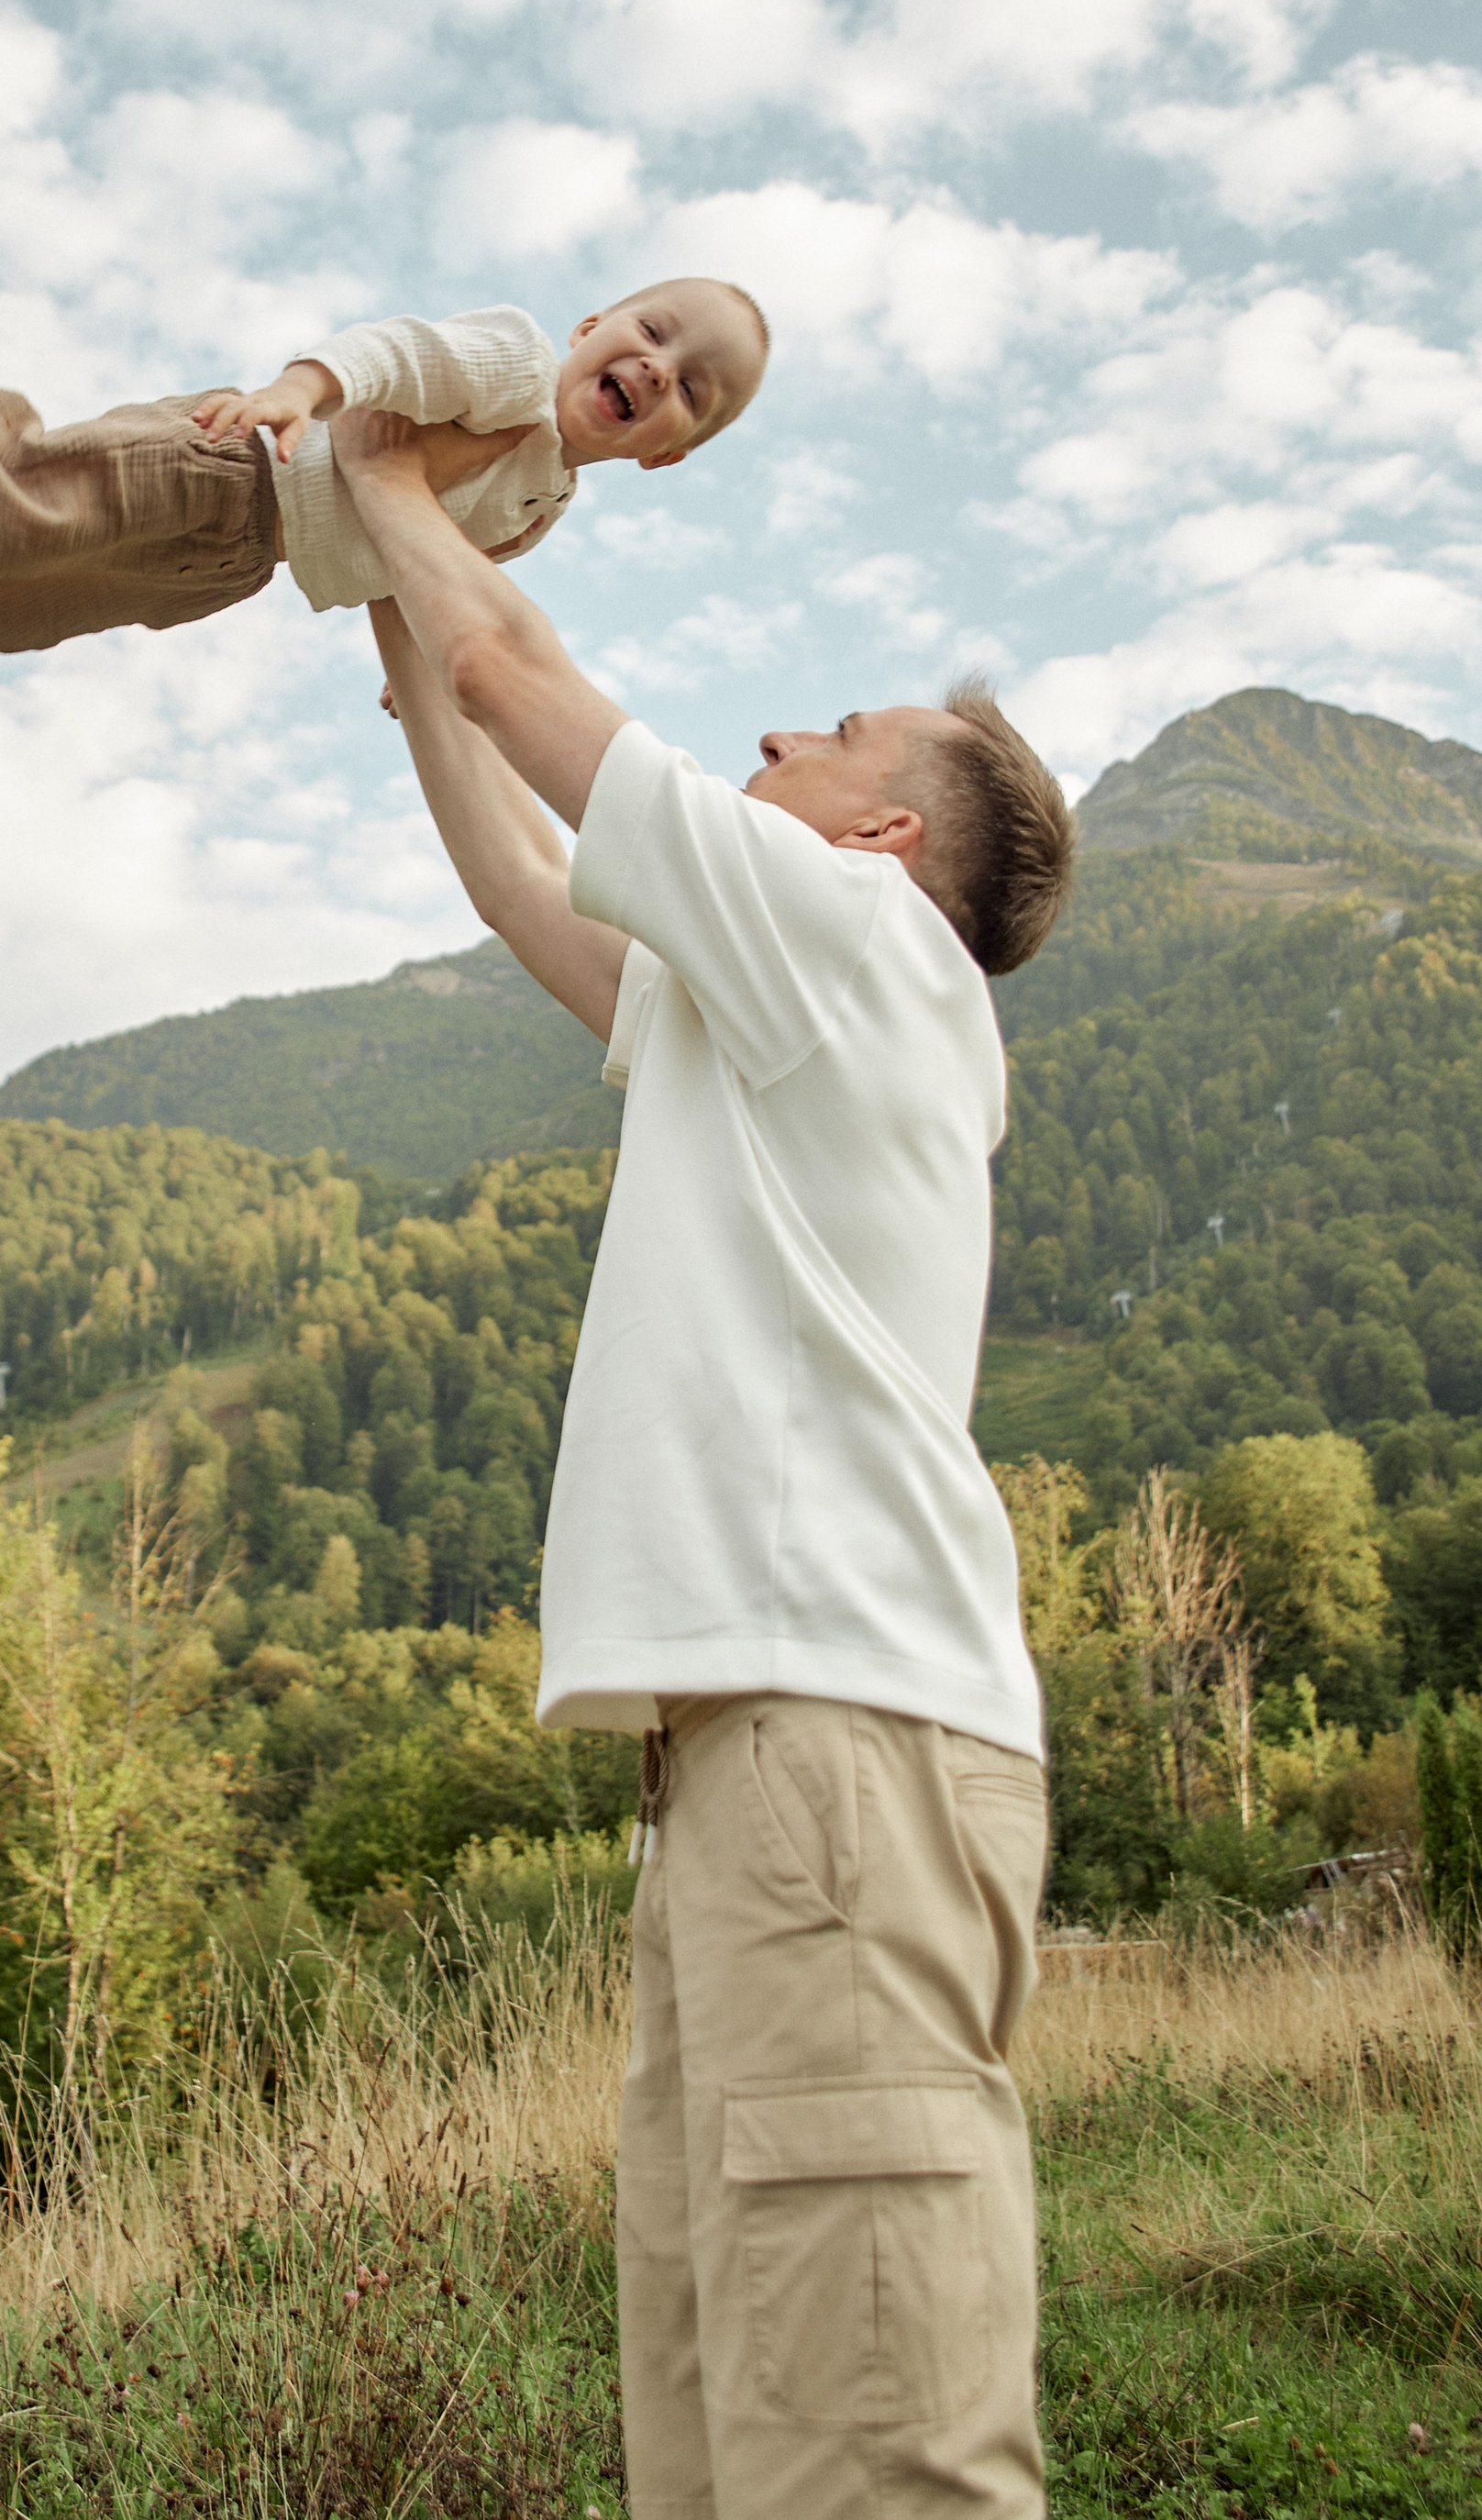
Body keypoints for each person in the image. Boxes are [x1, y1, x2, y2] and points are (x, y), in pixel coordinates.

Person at [344, 399, 1075, 2520]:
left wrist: (384, 468)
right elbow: (523, 862)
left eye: (833, 728)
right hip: (754, 1776)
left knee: (862, 2449)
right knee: (725, 2430)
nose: (776, 728)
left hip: (833, 1753)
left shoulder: (854, 945)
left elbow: (523, 674)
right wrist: (401, 638)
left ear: (883, 839)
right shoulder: (768, 993)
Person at [0, 277, 767, 683]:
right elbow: (401, 352)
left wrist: (429, 664)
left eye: (691, 389)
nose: (656, 367)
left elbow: (435, 571)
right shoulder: (521, 364)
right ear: (594, 325)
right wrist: (303, 386)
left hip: (237, 563)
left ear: (663, 452)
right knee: (9, 508)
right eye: (653, 331)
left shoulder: (543, 505)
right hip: (230, 459)